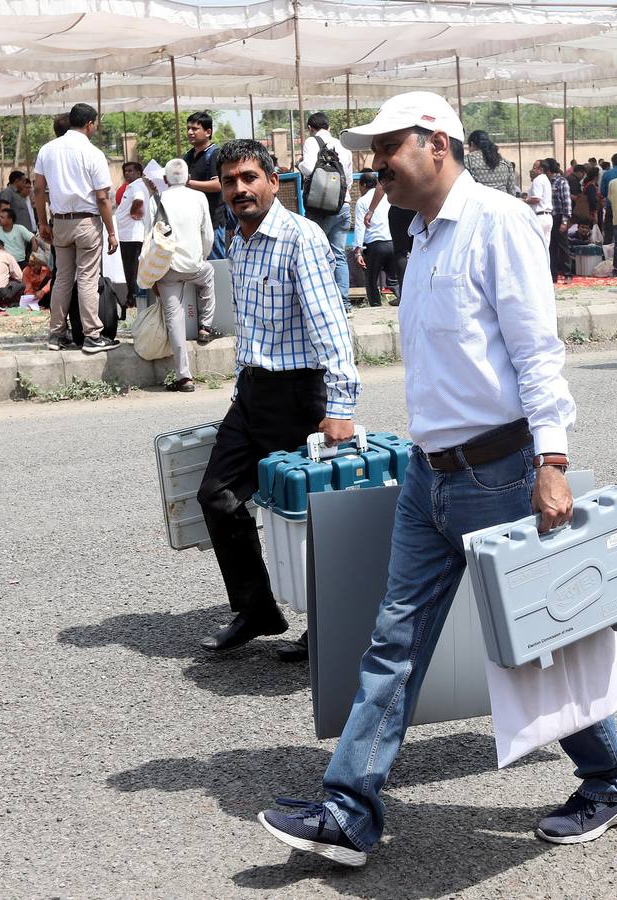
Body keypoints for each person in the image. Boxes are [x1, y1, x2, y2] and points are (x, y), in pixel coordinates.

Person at [258, 90, 617, 867]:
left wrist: (552, 464)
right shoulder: (422, 233)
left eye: (387, 148)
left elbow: (536, 352)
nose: (376, 165)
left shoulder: (498, 223)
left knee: (537, 644)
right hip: (426, 478)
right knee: (393, 643)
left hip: (498, 475)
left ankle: (609, 779)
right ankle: (349, 810)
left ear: (436, 144)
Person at [196, 138, 359, 660]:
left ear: (273, 181)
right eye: (229, 181)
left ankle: (330, 626)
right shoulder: (237, 238)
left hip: (300, 395)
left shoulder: (299, 237)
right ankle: (258, 610)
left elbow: (330, 325)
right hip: (253, 390)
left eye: (249, 178)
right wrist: (241, 383)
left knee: (311, 517)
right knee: (217, 496)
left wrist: (341, 407)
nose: (239, 189)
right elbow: (251, 324)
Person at [32, 102, 119, 354]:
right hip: (86, 221)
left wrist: (41, 222)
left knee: (62, 278)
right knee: (87, 279)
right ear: (90, 124)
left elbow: (38, 189)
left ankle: (56, 334)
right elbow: (102, 197)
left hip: (60, 221)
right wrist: (111, 232)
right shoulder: (93, 153)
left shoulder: (47, 150)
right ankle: (92, 335)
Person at [154, 158, 219, 393]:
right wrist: (202, 256)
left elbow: (149, 238)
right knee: (209, 275)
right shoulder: (199, 197)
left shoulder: (157, 199)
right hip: (194, 265)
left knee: (174, 318)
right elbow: (208, 234)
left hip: (168, 269)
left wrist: (153, 276)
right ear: (188, 177)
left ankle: (184, 378)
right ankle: (205, 327)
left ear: (165, 179)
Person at [299, 112, 355, 308]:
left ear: (310, 128)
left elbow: (308, 168)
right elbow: (348, 180)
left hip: (320, 207)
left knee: (314, 252)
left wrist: (299, 164)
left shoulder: (311, 141)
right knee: (339, 254)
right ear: (329, 127)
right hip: (343, 204)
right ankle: (344, 303)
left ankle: (321, 301)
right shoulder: (343, 145)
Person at [352, 170, 398, 308]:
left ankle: (376, 306)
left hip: (374, 246)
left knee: (371, 280)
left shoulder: (362, 201)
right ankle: (402, 298)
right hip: (392, 242)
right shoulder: (388, 198)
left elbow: (360, 227)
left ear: (364, 185)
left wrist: (358, 251)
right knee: (393, 280)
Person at [184, 112, 227, 258]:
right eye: (188, 128)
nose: (190, 132)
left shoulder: (215, 154)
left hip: (212, 221)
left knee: (216, 263)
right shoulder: (188, 156)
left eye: (195, 129)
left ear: (208, 132)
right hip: (193, 221)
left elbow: (218, 184)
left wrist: (188, 183)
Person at [115, 161, 150, 299]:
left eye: (130, 171)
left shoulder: (136, 186)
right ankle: (132, 295)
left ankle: (133, 296)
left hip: (132, 235)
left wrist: (134, 212)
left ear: (139, 173)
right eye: (125, 171)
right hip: (128, 234)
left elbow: (139, 200)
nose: (127, 173)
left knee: (131, 269)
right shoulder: (133, 186)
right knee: (130, 268)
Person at [464, 130, 517, 195]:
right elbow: (512, 192)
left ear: (472, 144)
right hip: (502, 200)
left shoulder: (467, 161)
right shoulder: (506, 163)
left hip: (478, 200)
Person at [546, 158, 574, 285]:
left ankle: (567, 274)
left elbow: (566, 202)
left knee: (563, 247)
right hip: (549, 217)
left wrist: (565, 221)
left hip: (559, 217)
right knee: (551, 247)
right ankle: (553, 275)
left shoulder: (561, 182)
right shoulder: (545, 182)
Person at [526, 160, 553, 245]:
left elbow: (536, 199)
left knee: (535, 244)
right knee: (545, 246)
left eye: (534, 168)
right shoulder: (546, 180)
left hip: (539, 217)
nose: (532, 170)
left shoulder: (537, 180)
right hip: (548, 217)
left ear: (541, 169)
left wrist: (524, 201)